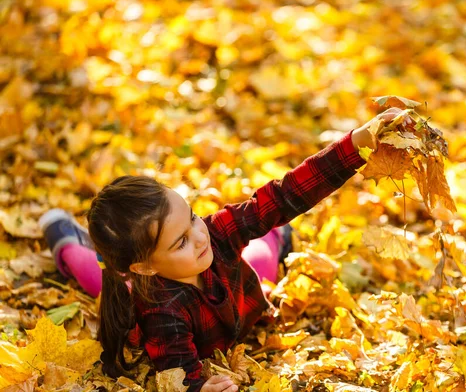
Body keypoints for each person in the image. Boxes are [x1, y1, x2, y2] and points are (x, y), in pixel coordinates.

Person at [42, 108, 399, 392]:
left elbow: (278, 196)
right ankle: (65, 237)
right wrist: (200, 388)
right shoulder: (160, 313)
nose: (199, 236)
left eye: (193, 218)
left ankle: (276, 235)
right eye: (180, 240)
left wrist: (354, 146)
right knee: (94, 274)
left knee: (261, 257)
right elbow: (177, 373)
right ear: (146, 266)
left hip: (240, 304)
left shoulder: (210, 235)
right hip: (138, 286)